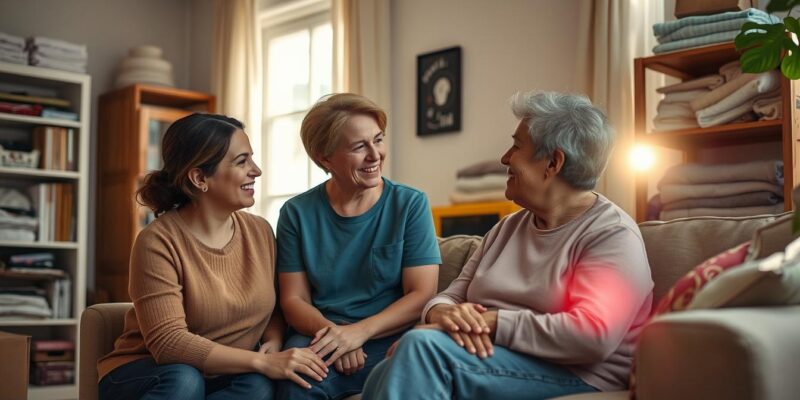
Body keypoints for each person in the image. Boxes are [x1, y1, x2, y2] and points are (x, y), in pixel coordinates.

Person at [362, 91, 654, 400]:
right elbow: (451, 296)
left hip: (577, 373)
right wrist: (441, 315)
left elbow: (594, 334)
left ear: (553, 162)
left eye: (516, 146)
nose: (504, 158)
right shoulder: (508, 228)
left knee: (420, 348)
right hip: (495, 355)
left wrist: (490, 322)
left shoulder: (612, 234)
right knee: (388, 366)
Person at [97, 113, 327, 400]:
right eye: (242, 162)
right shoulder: (157, 241)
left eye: (252, 159)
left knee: (259, 387)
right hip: (147, 373)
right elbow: (168, 343)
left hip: (222, 373)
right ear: (199, 178)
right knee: (185, 380)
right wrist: (261, 361)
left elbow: (274, 308)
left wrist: (274, 339)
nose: (256, 171)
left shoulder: (261, 232)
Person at [275, 93, 441, 399]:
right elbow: (294, 300)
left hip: (388, 335)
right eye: (358, 146)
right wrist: (335, 336)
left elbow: (422, 294)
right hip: (320, 334)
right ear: (325, 158)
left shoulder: (410, 204)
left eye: (378, 140)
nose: (375, 155)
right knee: (295, 382)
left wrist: (357, 333)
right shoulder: (296, 213)